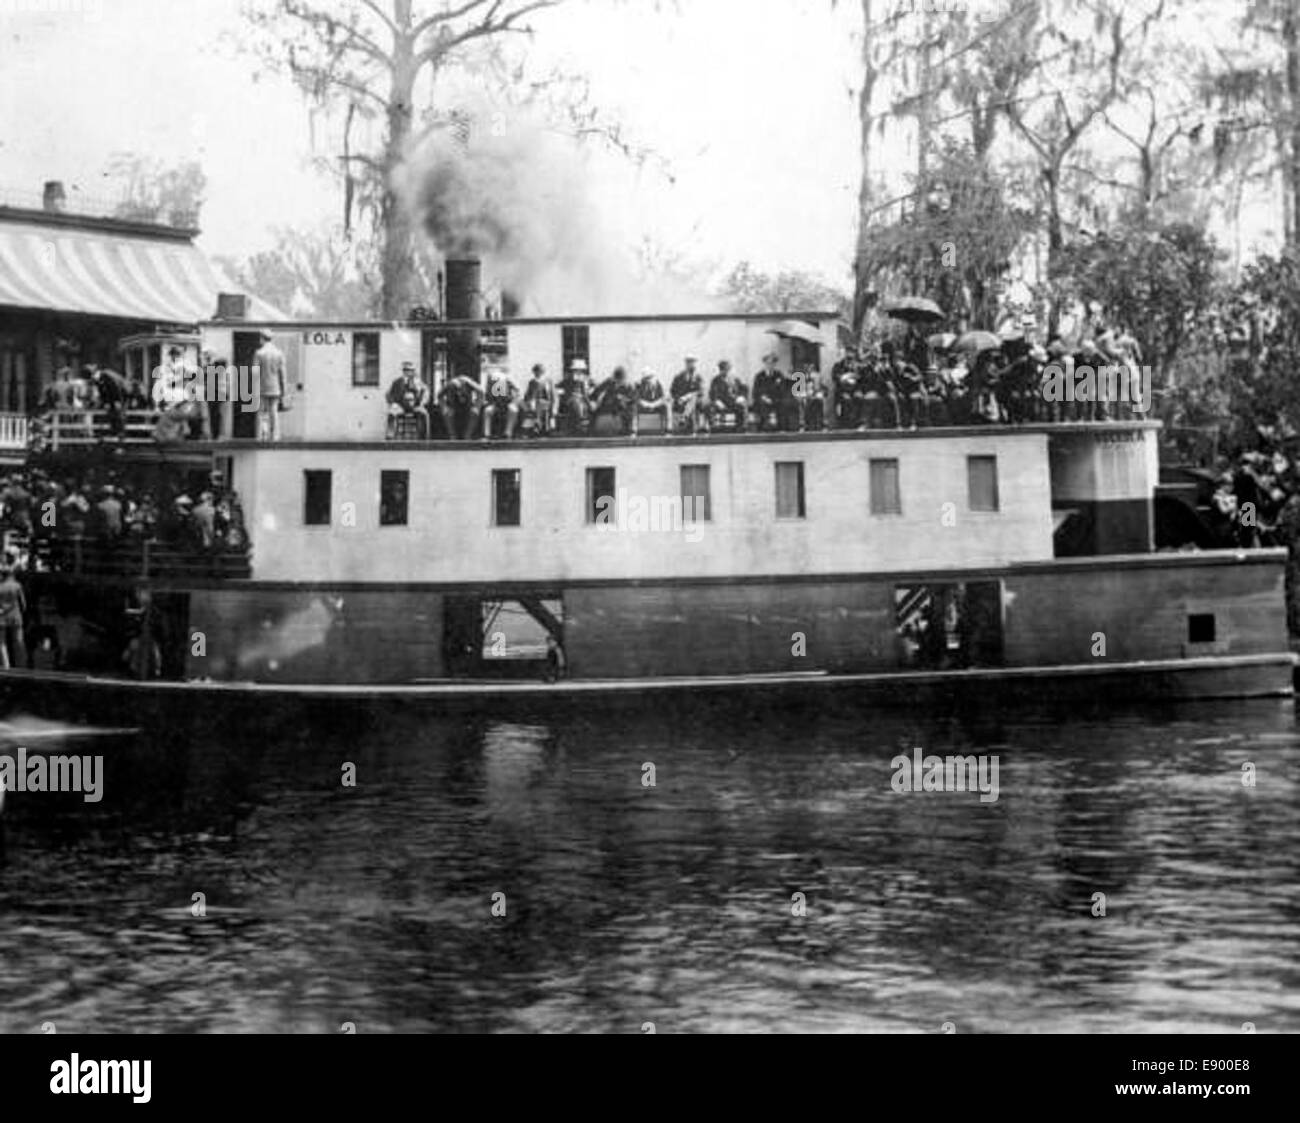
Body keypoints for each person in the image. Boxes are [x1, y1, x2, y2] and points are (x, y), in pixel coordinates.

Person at [253, 330, 286, 440]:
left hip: (262, 387)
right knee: (274, 411)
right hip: (275, 387)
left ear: (262, 338)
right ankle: (274, 435)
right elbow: (282, 373)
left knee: (262, 413)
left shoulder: (259, 353)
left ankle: (263, 434)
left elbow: (255, 373)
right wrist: (283, 389)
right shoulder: (279, 353)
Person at [385, 360, 431, 439]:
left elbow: (426, 393)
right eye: (406, 370)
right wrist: (393, 403)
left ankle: (423, 438)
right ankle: (390, 436)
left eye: (410, 370)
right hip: (401, 406)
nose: (408, 372)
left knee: (424, 414)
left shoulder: (419, 382)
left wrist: (422, 403)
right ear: (403, 371)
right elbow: (388, 394)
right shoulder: (397, 382)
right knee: (391, 413)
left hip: (415, 406)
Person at [438, 372, 484, 439]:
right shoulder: (450, 384)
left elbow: (481, 392)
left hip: (468, 406)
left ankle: (467, 436)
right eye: (457, 391)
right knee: (447, 413)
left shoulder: (468, 382)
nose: (459, 394)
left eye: (461, 391)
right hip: (454, 406)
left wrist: (477, 406)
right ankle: (452, 436)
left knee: (474, 413)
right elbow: (439, 395)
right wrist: (444, 407)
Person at [592, 366, 636, 435]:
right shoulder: (608, 382)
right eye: (616, 380)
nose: (618, 383)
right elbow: (595, 393)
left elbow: (631, 400)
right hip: (606, 410)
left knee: (628, 413)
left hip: (620, 411)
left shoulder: (628, 386)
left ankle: (627, 430)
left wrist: (622, 399)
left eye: (620, 381)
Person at [707, 360, 749, 431]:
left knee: (742, 406)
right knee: (709, 408)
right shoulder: (715, 380)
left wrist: (741, 397)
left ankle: (741, 428)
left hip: (733, 402)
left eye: (727, 369)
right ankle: (714, 428)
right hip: (721, 402)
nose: (725, 372)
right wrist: (717, 401)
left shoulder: (735, 379)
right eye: (723, 369)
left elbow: (744, 389)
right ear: (720, 370)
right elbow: (712, 393)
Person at [670, 354, 708, 434]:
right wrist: (679, 398)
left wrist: (689, 396)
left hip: (697, 401)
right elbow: (673, 390)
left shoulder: (698, 377)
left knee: (693, 398)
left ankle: (684, 417)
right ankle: (684, 418)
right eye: (689, 362)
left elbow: (701, 390)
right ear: (686, 364)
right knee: (690, 400)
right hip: (681, 400)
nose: (691, 364)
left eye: (693, 362)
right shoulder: (678, 376)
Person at [482, 365, 522, 439]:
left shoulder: (508, 379)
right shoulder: (490, 381)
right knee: (487, 411)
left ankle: (507, 433)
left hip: (508, 402)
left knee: (513, 410)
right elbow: (487, 395)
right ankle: (487, 434)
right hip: (495, 403)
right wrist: (490, 402)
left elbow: (517, 391)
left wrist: (514, 401)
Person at [556, 359, 593, 435]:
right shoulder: (574, 379)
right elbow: (584, 393)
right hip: (574, 399)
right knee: (580, 407)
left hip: (573, 399)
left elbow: (586, 392)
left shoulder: (582, 379)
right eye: (576, 370)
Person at [0, 565, 25, 670]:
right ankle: (21, 665)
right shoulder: (17, 586)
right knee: (18, 641)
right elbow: (23, 604)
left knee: (2, 642)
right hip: (16, 616)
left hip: (1, 617)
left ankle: (6, 666)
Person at [752, 352, 784, 432]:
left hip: (776, 399)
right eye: (768, 363)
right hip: (762, 399)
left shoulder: (779, 375)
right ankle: (764, 428)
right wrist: (764, 398)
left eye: (772, 363)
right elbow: (756, 391)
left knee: (784, 404)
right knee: (763, 406)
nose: (770, 365)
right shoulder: (759, 376)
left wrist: (775, 398)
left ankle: (780, 428)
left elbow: (782, 388)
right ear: (765, 364)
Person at [633, 368, 669, 435]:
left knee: (666, 406)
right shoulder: (639, 385)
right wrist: (646, 404)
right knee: (634, 407)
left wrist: (654, 404)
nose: (648, 380)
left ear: (654, 377)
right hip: (645, 406)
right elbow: (637, 398)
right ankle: (634, 430)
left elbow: (664, 398)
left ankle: (668, 430)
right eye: (646, 378)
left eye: (650, 377)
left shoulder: (660, 384)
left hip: (657, 405)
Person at [522, 363, 555, 436]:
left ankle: (539, 426)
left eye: (540, 371)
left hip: (545, 402)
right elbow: (528, 395)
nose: (538, 373)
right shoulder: (532, 382)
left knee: (540, 404)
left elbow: (552, 394)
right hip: (534, 402)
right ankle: (536, 426)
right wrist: (529, 402)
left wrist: (553, 405)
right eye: (536, 371)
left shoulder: (548, 381)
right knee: (535, 405)